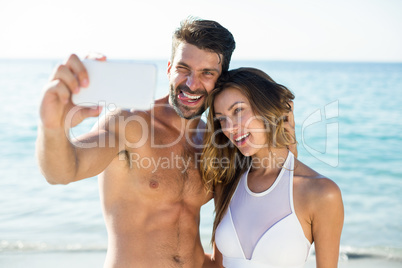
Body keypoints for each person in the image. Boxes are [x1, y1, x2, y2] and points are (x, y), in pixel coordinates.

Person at [36, 18, 236, 267]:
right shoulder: (129, 125)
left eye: (207, 73)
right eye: (183, 69)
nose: (192, 84)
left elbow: (229, 232)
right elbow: (63, 171)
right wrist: (53, 126)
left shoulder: (215, 142)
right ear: (169, 69)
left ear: (221, 79)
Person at [201, 68, 344, 268]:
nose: (230, 127)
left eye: (238, 111)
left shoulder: (321, 193)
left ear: (268, 106)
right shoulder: (228, 182)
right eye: (222, 119)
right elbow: (218, 264)